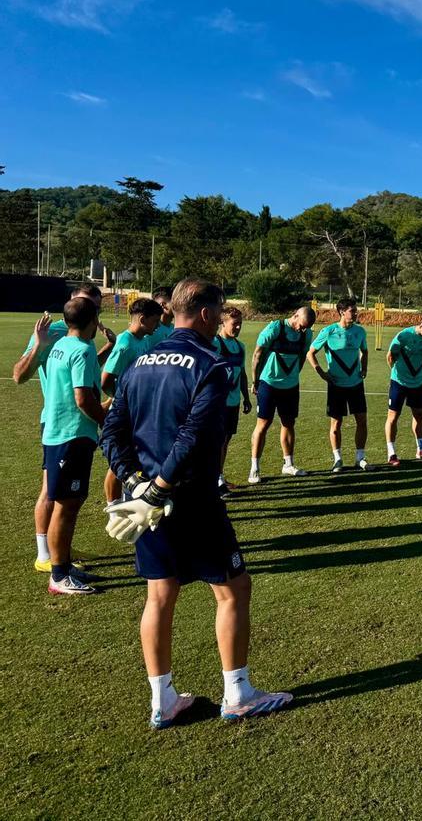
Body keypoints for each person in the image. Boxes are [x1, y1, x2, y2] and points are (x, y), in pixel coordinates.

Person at [101, 279, 292, 728]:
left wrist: (136, 484)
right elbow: (195, 435)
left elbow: (111, 431)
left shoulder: (141, 360)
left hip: (145, 500)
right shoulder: (210, 362)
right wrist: (160, 488)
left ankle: (162, 700)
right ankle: (238, 693)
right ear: (206, 314)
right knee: (232, 589)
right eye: (221, 310)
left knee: (159, 594)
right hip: (192, 500)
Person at [12, 282, 114, 574]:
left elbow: (81, 373)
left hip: (73, 420)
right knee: (52, 492)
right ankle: (46, 554)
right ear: (72, 303)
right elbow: (19, 376)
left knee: (62, 496)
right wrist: (39, 345)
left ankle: (59, 550)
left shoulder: (80, 339)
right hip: (60, 420)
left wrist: (108, 347)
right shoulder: (54, 332)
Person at [39, 297, 109, 594]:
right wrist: (106, 415)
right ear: (93, 319)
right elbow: (83, 398)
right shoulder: (81, 350)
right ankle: (58, 575)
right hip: (72, 436)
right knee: (66, 506)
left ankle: (64, 567)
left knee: (68, 503)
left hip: (58, 433)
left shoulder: (60, 346)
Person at [100, 298, 164, 502]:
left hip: (138, 409)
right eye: (155, 321)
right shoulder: (125, 343)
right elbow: (106, 379)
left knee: (134, 457)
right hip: (124, 410)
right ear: (143, 319)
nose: (158, 325)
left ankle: (131, 499)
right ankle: (113, 506)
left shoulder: (143, 339)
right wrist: (117, 398)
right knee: (119, 462)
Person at [248, 305, 315, 483]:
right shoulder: (275, 328)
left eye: (307, 327)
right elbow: (257, 354)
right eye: (301, 325)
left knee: (289, 423)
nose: (303, 329)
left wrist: (293, 377)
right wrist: (255, 381)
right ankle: (254, 468)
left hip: (291, 387)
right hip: (268, 383)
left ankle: (288, 464)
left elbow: (302, 357)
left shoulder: (307, 334)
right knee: (263, 424)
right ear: (295, 315)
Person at [308, 299, 370, 472]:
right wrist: (321, 373)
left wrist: (364, 367)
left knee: (362, 421)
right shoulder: (329, 331)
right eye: (353, 310)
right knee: (336, 424)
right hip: (336, 386)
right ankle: (338, 459)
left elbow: (364, 351)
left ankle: (360, 458)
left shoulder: (360, 332)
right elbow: (311, 353)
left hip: (356, 384)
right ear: (342, 312)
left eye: (356, 310)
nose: (356, 313)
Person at [384, 315, 422, 465]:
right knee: (393, 416)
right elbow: (390, 356)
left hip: (417, 382)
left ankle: (421, 449)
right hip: (399, 382)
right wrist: (396, 375)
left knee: (419, 414)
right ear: (421, 326)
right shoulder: (403, 336)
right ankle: (391, 453)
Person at [212, 306, 252, 499]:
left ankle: (218, 476)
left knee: (225, 441)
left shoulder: (240, 346)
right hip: (218, 403)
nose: (237, 328)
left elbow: (242, 373)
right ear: (223, 322)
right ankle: (215, 480)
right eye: (234, 324)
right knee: (217, 441)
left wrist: (246, 397)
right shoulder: (216, 344)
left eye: (240, 324)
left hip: (234, 401)